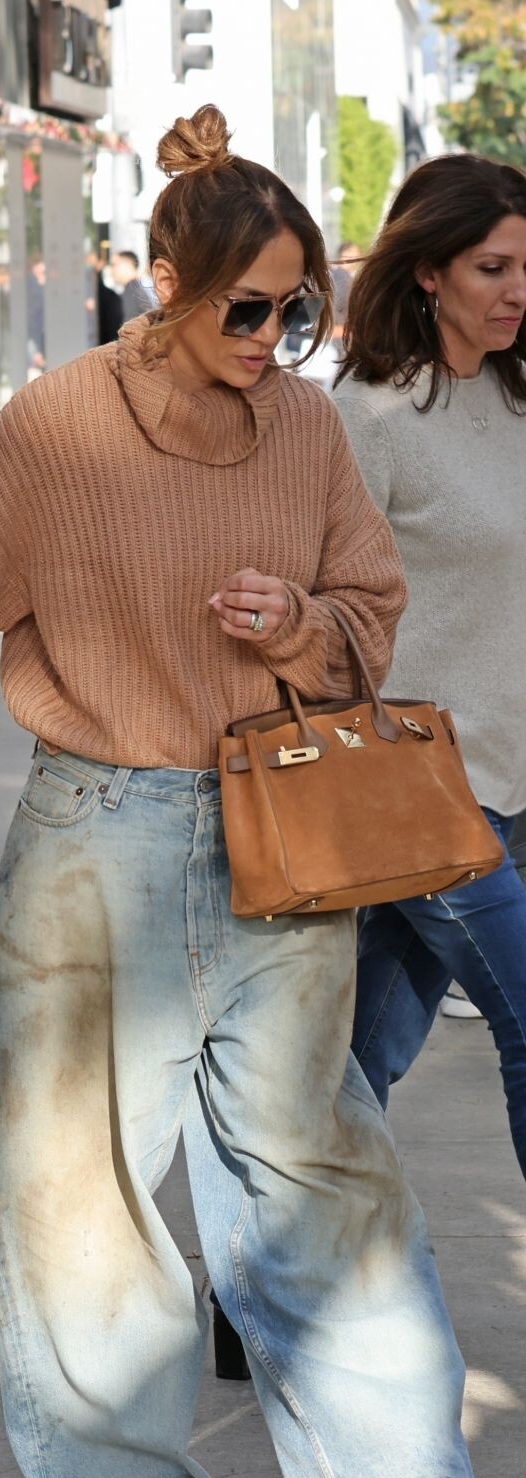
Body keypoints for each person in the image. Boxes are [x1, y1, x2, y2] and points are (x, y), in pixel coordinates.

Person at [0, 105, 475, 1478]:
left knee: (314, 1149)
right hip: (98, 845)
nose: (274, 339)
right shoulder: (58, 426)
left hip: (283, 826)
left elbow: (370, 609)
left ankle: (393, 1477)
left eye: (296, 311)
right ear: (161, 281)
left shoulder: (309, 429)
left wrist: (304, 629)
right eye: (246, 309)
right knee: (76, 1180)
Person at [333, 155, 526, 1178]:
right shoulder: (370, 415)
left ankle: (277, 1259)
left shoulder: (515, 392)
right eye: (493, 268)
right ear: (427, 271)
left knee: (365, 1053)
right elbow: (324, 602)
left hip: (512, 771)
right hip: (417, 784)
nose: (517, 291)